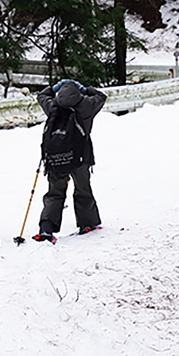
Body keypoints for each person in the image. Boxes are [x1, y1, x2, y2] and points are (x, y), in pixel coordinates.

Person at [34, 78, 106, 242]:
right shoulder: (86, 106)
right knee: (82, 189)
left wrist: (54, 87)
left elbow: (41, 96)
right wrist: (86, 89)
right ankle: (87, 223)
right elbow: (101, 96)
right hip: (80, 157)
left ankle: (46, 228)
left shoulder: (53, 106)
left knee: (54, 193)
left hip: (55, 157)